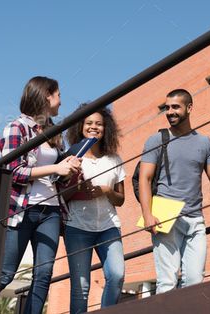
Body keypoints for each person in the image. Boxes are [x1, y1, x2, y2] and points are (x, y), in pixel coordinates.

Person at [0, 76, 82, 314]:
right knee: (5, 273)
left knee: (43, 275)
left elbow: (54, 177)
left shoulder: (54, 131)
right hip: (22, 209)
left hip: (51, 210)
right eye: (58, 95)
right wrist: (56, 168)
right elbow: (13, 171)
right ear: (46, 95)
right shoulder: (16, 128)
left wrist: (68, 167)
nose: (61, 102)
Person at [139, 89, 210, 294]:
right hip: (165, 215)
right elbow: (145, 178)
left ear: (189, 108)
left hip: (195, 217)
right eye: (167, 107)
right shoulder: (156, 140)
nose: (170, 112)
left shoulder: (204, 142)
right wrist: (147, 214)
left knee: (195, 281)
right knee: (167, 282)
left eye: (175, 107)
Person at [64, 104, 126, 314]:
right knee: (81, 288)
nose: (94, 127)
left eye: (99, 124)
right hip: (78, 227)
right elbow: (60, 195)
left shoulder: (114, 159)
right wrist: (77, 187)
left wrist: (107, 190)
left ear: (105, 128)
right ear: (80, 127)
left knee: (116, 276)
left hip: (109, 226)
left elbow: (120, 200)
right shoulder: (72, 157)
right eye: (89, 123)